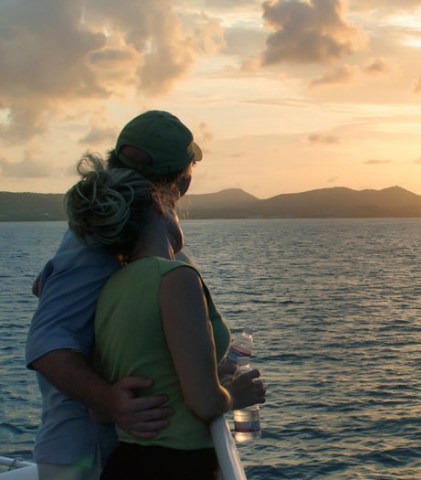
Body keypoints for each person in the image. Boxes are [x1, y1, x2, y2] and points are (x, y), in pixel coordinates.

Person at [24, 111, 241, 480]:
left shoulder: (111, 243)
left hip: (122, 449)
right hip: (86, 453)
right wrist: (109, 401)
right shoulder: (93, 244)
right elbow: (46, 345)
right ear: (179, 184)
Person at [62, 153, 265, 479]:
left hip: (124, 464)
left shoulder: (110, 287)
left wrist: (209, 370)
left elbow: (99, 412)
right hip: (179, 467)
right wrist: (236, 395)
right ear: (159, 204)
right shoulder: (176, 278)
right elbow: (203, 402)